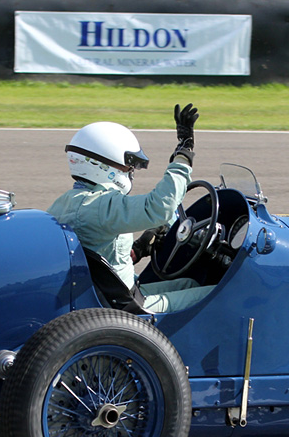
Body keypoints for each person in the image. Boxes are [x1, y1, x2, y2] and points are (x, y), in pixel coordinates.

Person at [48, 104, 215, 313]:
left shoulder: (68, 202)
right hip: (123, 305)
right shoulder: (98, 205)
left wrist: (138, 249)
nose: (131, 172)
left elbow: (99, 249)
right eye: (128, 166)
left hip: (111, 291)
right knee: (215, 295)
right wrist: (184, 154)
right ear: (103, 165)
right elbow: (159, 207)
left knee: (190, 284)